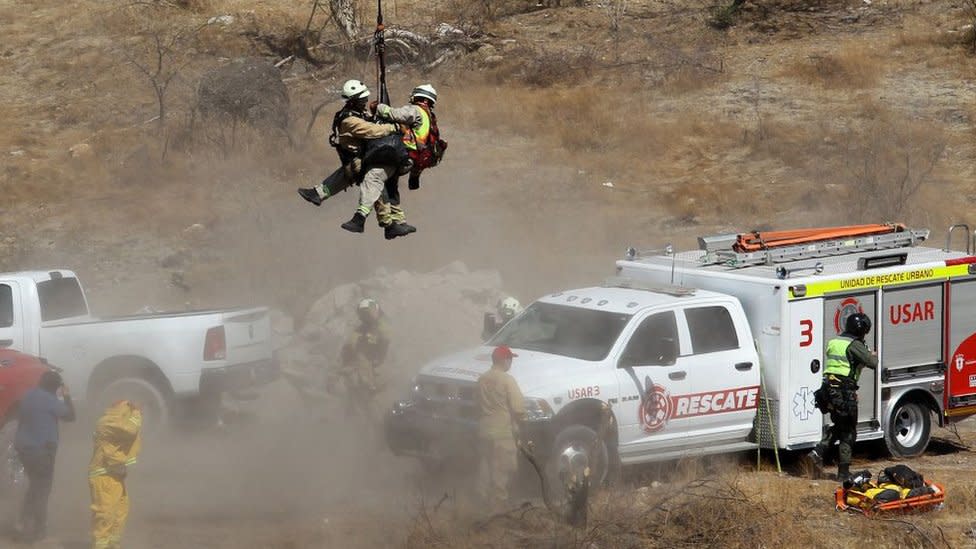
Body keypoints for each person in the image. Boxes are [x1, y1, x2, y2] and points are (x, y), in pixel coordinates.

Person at [298, 79, 416, 240]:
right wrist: (394, 127)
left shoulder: (356, 114)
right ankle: (388, 224)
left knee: (360, 177)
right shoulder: (349, 120)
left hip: (359, 158)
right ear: (353, 101)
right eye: (362, 100)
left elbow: (371, 121)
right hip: (359, 160)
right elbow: (372, 131)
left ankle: (318, 193)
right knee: (376, 180)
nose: (365, 102)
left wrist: (380, 112)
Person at [808, 312, 878, 481]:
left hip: (828, 390)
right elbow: (872, 363)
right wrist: (871, 354)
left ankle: (818, 452)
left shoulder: (834, 342)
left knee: (840, 425)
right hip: (843, 391)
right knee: (848, 432)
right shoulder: (854, 344)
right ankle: (843, 473)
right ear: (861, 330)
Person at [13, 370, 75, 543]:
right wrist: (67, 396)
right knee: (42, 490)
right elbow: (71, 416)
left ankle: (22, 522)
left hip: (24, 448)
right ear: (55, 387)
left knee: (35, 485)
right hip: (41, 451)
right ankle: (38, 531)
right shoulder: (50, 400)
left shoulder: (29, 395)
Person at [373, 84, 448, 192]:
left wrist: (378, 107)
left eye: (416, 97)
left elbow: (394, 114)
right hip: (420, 158)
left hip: (406, 155)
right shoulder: (430, 116)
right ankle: (414, 175)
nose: (412, 99)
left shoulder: (416, 110)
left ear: (425, 100)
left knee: (375, 179)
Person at [89, 400, 142, 549]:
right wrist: (136, 413)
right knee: (105, 514)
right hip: (103, 475)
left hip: (114, 474)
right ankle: (100, 545)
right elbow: (131, 430)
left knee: (120, 510)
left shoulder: (114, 423)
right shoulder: (106, 422)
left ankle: (113, 544)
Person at [477, 345, 526, 506]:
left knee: (485, 468)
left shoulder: (482, 379)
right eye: (510, 359)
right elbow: (518, 409)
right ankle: (498, 508)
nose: (511, 362)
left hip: (483, 431)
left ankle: (480, 502)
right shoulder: (507, 380)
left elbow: (476, 405)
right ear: (504, 360)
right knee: (502, 470)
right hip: (502, 433)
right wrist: (521, 421)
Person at [328, 298, 390, 423]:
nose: (365, 317)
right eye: (363, 314)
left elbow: (382, 343)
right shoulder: (363, 329)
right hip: (357, 366)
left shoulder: (381, 327)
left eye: (367, 313)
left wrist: (376, 360)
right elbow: (351, 345)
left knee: (366, 399)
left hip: (367, 367)